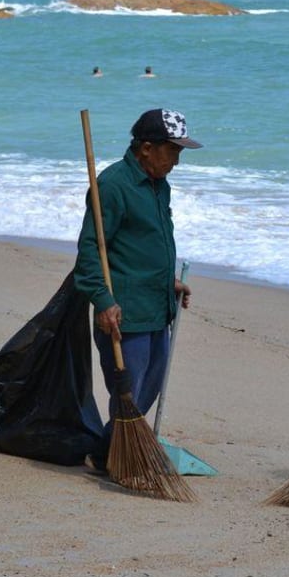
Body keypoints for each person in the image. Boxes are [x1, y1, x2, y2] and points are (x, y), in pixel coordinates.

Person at [73, 108, 202, 471]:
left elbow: (144, 243)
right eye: (172, 151)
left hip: (156, 306)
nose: (176, 160)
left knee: (148, 388)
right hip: (124, 311)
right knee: (126, 390)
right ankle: (113, 457)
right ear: (146, 148)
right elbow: (89, 250)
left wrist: (169, 283)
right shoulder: (113, 186)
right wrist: (102, 299)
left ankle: (107, 451)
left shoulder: (160, 186)